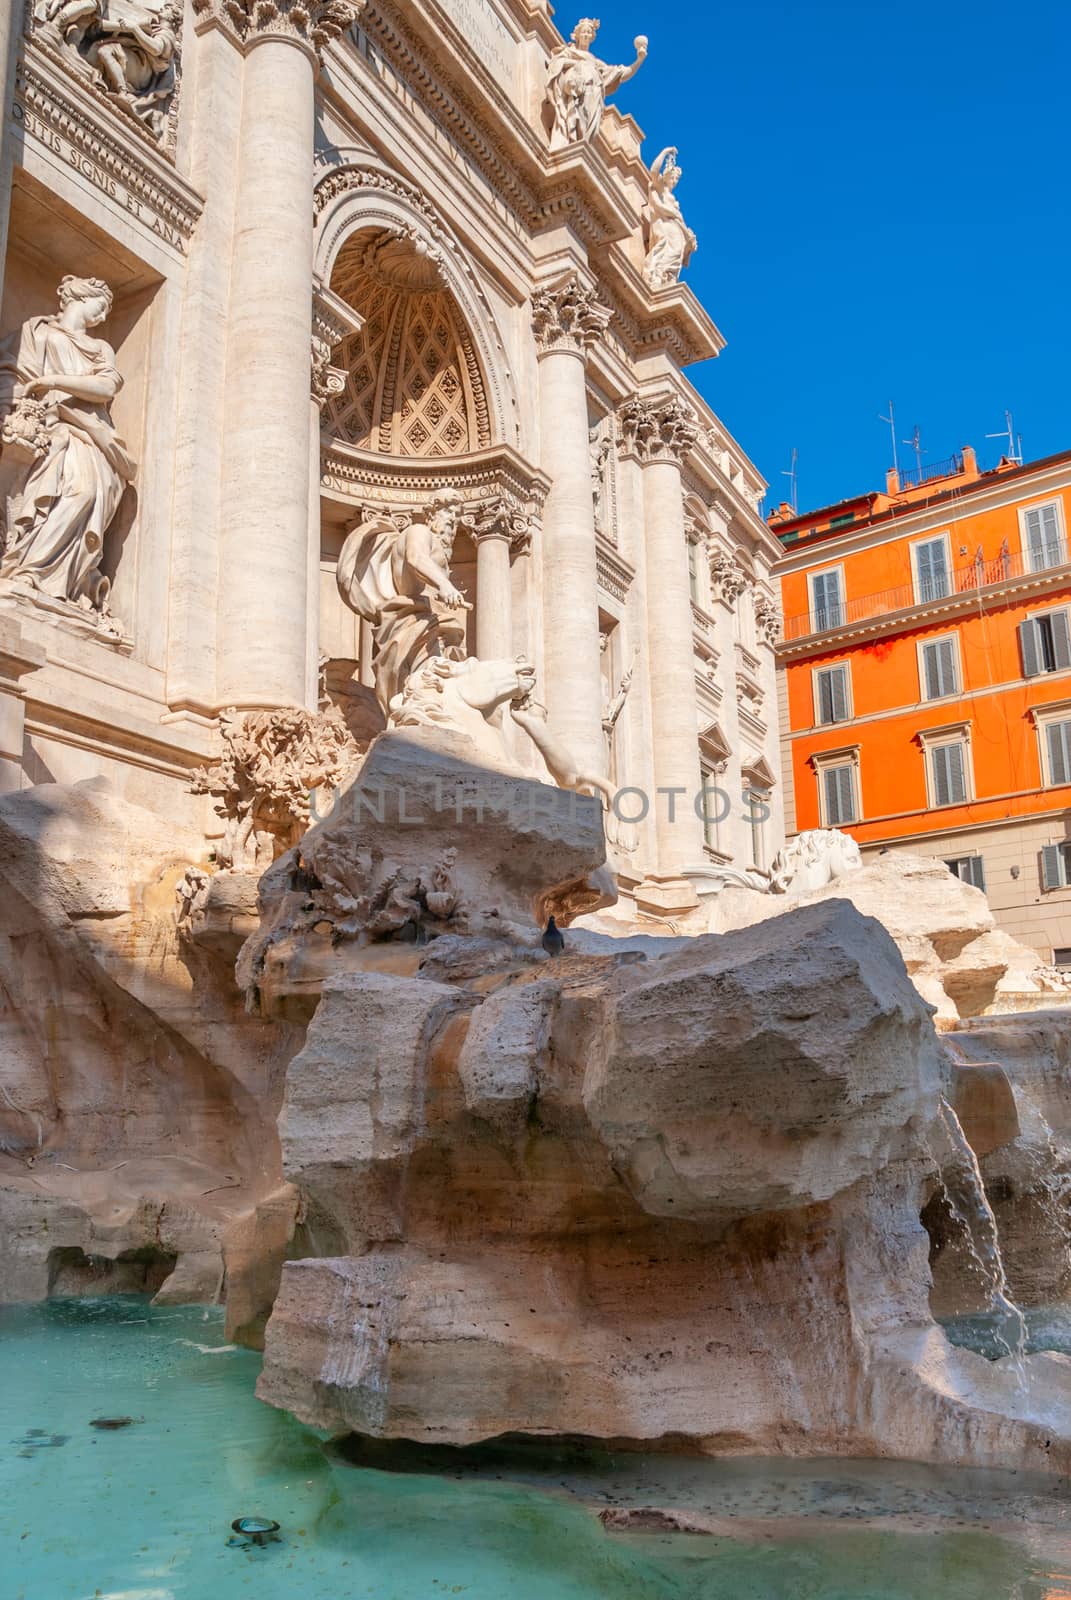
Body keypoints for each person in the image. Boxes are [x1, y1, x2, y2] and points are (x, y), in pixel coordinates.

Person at [0, 275, 135, 610]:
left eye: (106, 312)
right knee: (46, 490)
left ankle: (51, 578)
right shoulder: (36, 332)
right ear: (80, 296)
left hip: (88, 435)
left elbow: (106, 388)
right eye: (100, 307)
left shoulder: (100, 347)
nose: (103, 317)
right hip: (47, 429)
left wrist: (52, 380)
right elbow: (10, 374)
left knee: (85, 492)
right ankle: (27, 572)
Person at [336, 488, 471, 718]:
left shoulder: (438, 548)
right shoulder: (419, 532)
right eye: (448, 510)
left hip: (424, 621)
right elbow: (416, 558)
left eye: (456, 514)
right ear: (432, 512)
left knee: (430, 687)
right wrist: (445, 585)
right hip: (409, 620)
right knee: (420, 689)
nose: (452, 519)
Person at [545, 19, 648, 151]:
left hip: (594, 96)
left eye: (589, 33)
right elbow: (556, 64)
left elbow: (621, 74)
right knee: (576, 121)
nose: (586, 35)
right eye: (583, 32)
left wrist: (639, 59)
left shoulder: (595, 63)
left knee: (587, 128)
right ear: (576, 35)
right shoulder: (569, 52)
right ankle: (571, 143)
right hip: (577, 92)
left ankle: (580, 144)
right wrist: (578, 66)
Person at [643, 149, 698, 290]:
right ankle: (658, 273)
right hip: (667, 227)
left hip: (676, 228)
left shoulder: (671, 197)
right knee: (671, 251)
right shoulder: (659, 187)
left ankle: (665, 276)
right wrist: (665, 152)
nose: (674, 181)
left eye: (676, 179)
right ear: (667, 175)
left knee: (677, 252)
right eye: (673, 177)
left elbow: (679, 220)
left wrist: (689, 240)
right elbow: (654, 171)